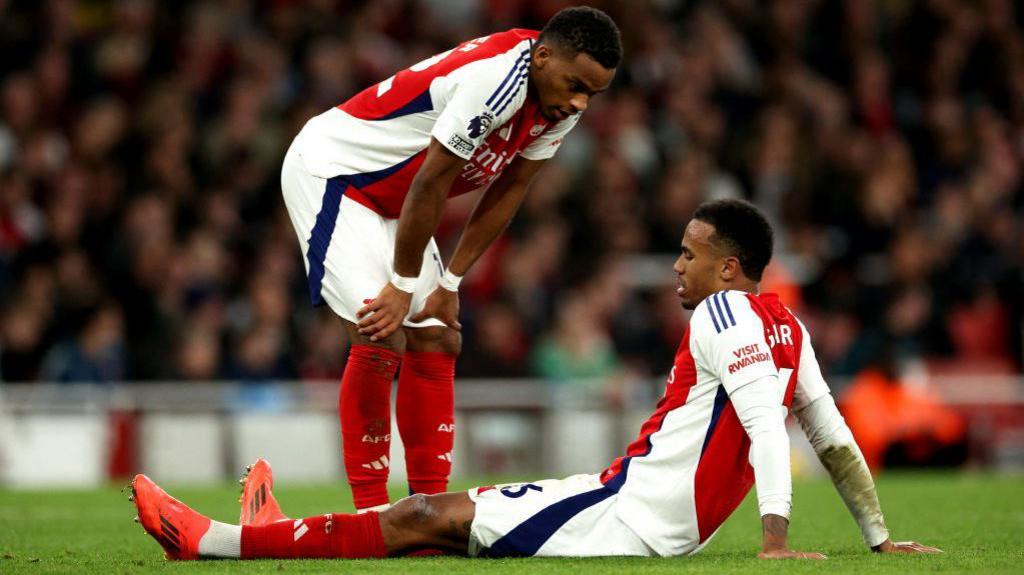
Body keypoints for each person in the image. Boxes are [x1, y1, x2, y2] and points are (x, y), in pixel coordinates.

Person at [130, 200, 941, 560]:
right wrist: (876, 535)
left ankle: (210, 544)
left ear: (729, 267)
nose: (676, 265)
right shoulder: (788, 327)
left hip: (626, 516)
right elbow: (830, 437)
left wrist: (774, 545)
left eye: (690, 253)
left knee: (421, 516)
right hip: (632, 508)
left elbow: (771, 430)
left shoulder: (720, 316)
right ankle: (270, 534)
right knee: (434, 527)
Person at [279, 6, 621, 512]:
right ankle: (374, 512)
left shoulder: (557, 104)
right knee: (381, 328)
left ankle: (429, 511)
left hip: (396, 199)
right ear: (543, 57)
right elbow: (433, 180)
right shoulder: (497, 79)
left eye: (591, 93)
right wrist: (401, 282)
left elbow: (510, 191)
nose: (578, 102)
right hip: (336, 173)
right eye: (574, 84)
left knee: (438, 332)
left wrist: (452, 283)